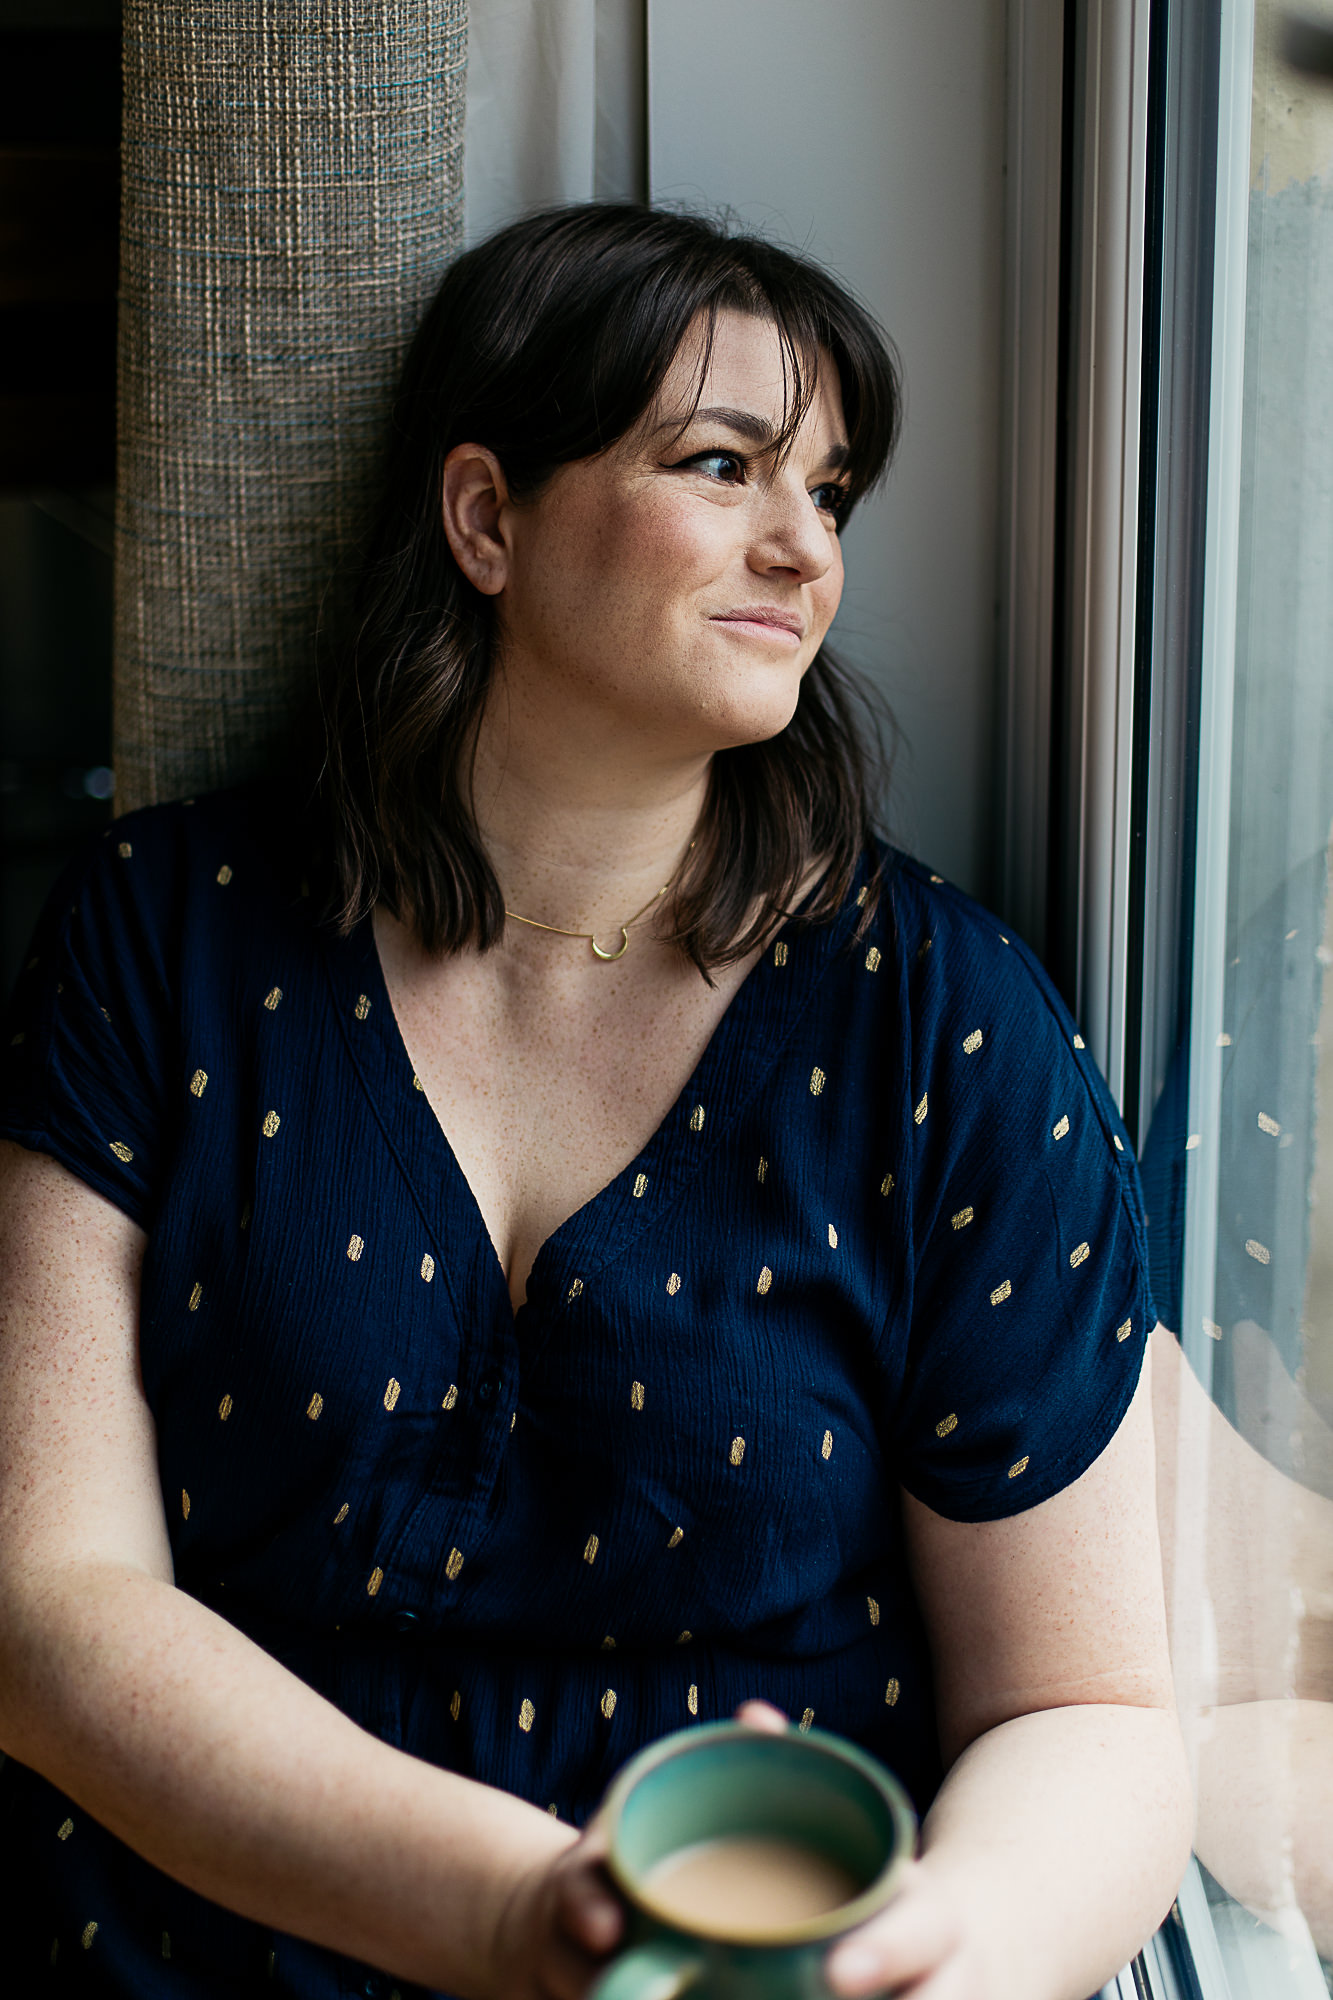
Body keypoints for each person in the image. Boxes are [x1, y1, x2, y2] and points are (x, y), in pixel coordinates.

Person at [0, 204, 1191, 2000]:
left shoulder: (943, 1028)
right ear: (486, 518)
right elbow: (46, 1615)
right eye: (723, 467)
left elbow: (1084, 1702)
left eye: (832, 494)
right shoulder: (156, 936)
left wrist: (933, 1962)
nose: (805, 550)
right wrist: (505, 1915)